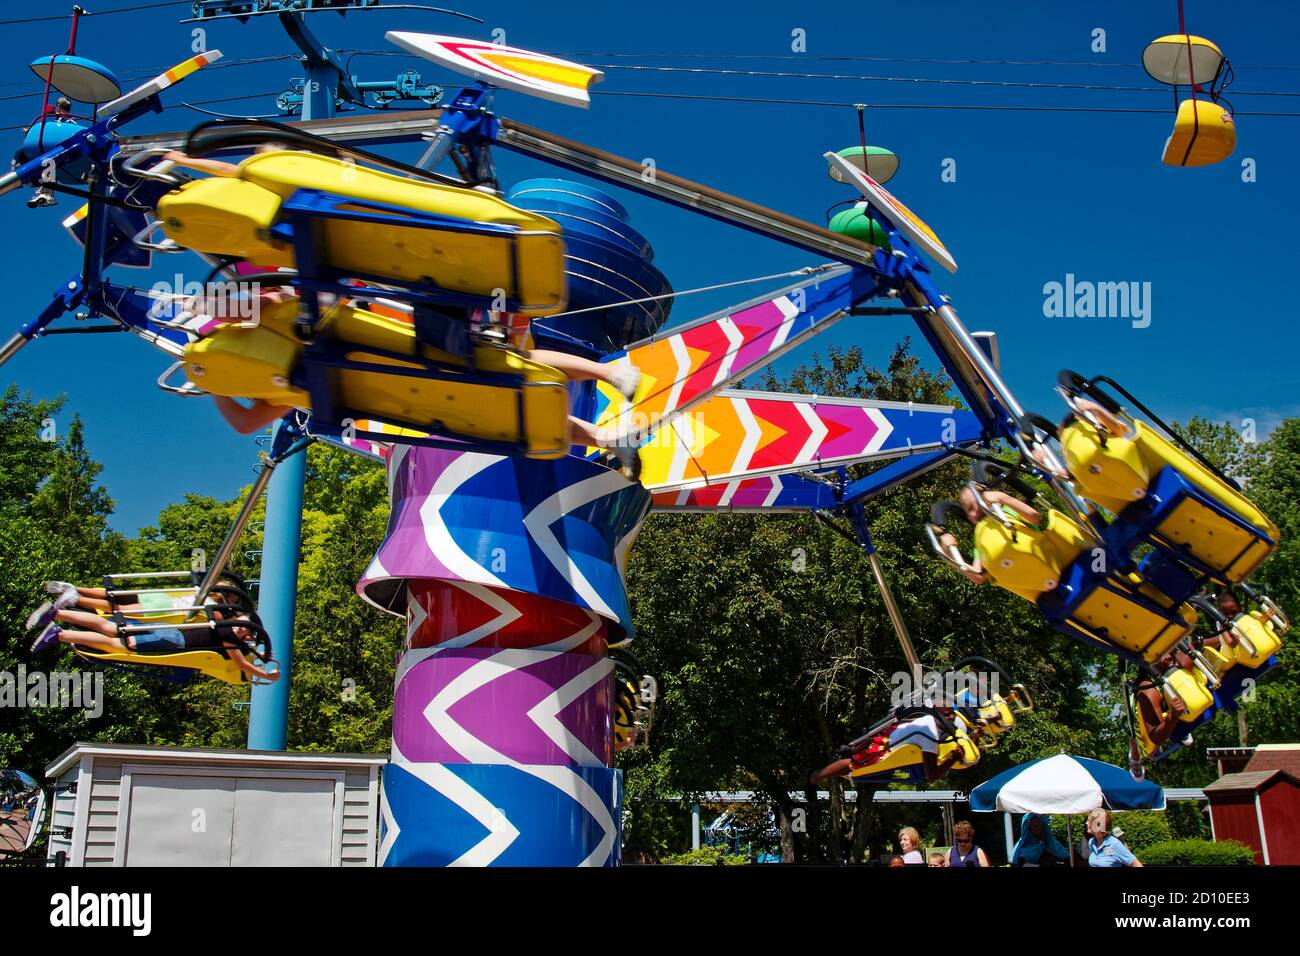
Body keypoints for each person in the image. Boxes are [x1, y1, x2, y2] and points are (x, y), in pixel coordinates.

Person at [27, 595, 277, 683]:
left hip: (170, 632)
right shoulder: (229, 637)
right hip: (172, 642)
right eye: (247, 629)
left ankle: (57, 614)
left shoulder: (223, 622)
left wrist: (261, 655)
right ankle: (58, 633)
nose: (246, 634)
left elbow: (217, 603)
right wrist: (267, 674)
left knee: (112, 628)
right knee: (117, 643)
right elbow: (242, 665)